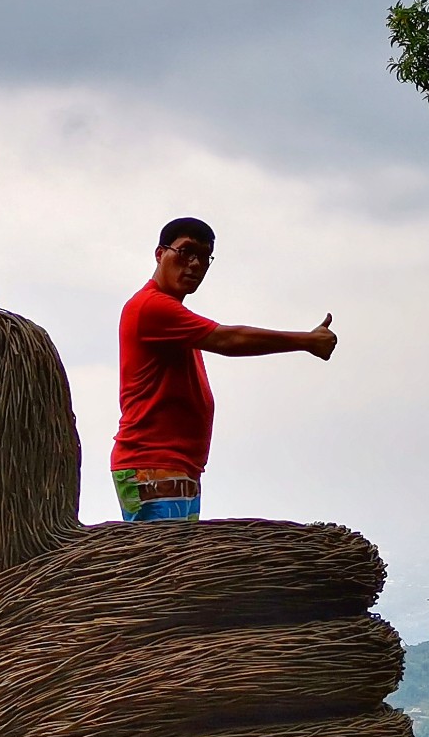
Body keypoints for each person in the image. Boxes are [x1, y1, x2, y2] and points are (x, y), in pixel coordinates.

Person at [111, 216, 336, 522]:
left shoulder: (172, 314)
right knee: (167, 566)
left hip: (174, 465)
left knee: (178, 564)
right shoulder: (152, 307)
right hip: (153, 463)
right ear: (160, 254)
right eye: (185, 252)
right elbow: (229, 339)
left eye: (204, 258)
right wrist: (307, 341)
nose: (194, 264)